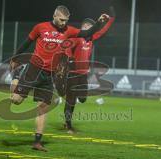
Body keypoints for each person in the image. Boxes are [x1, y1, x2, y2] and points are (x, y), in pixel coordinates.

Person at [9, 5, 107, 151]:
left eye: (66, 20)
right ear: (54, 16)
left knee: (43, 108)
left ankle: (37, 142)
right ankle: (17, 75)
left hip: (49, 74)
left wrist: (99, 22)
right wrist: (15, 57)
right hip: (33, 70)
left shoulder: (69, 31)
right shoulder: (40, 27)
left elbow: (88, 32)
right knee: (16, 101)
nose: (64, 23)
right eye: (61, 20)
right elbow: (27, 42)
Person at [62, 8, 115, 134]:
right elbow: (66, 47)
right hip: (72, 74)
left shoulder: (91, 38)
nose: (87, 26)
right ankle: (68, 126)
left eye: (89, 25)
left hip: (83, 74)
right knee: (71, 100)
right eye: (85, 25)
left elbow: (102, 30)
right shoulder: (76, 37)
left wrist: (111, 19)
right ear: (82, 27)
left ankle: (68, 120)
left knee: (82, 99)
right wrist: (69, 59)